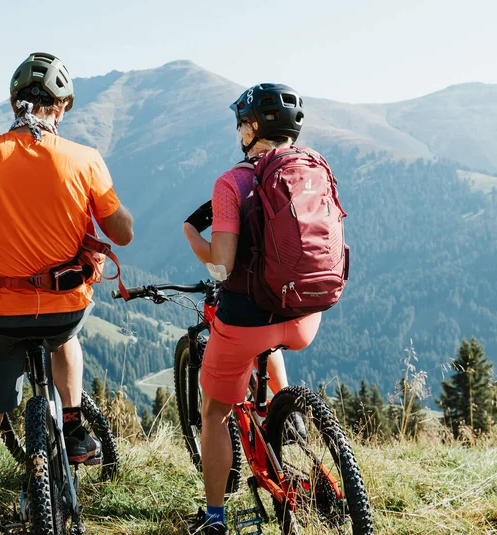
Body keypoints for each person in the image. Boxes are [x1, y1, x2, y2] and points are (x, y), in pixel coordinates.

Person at [0, 52, 134, 534]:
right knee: (67, 338)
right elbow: (121, 232)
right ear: (61, 108)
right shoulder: (85, 159)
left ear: (12, 102)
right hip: (65, 308)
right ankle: (73, 420)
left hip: (2, 313)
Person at [182, 83, 322, 535]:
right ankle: (289, 418)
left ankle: (215, 518)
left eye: (241, 121)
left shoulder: (232, 182)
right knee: (274, 339)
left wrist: (193, 239)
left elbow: (222, 266)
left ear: (253, 128)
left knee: (214, 413)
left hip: (247, 319)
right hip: (304, 315)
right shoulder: (312, 169)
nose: (238, 129)